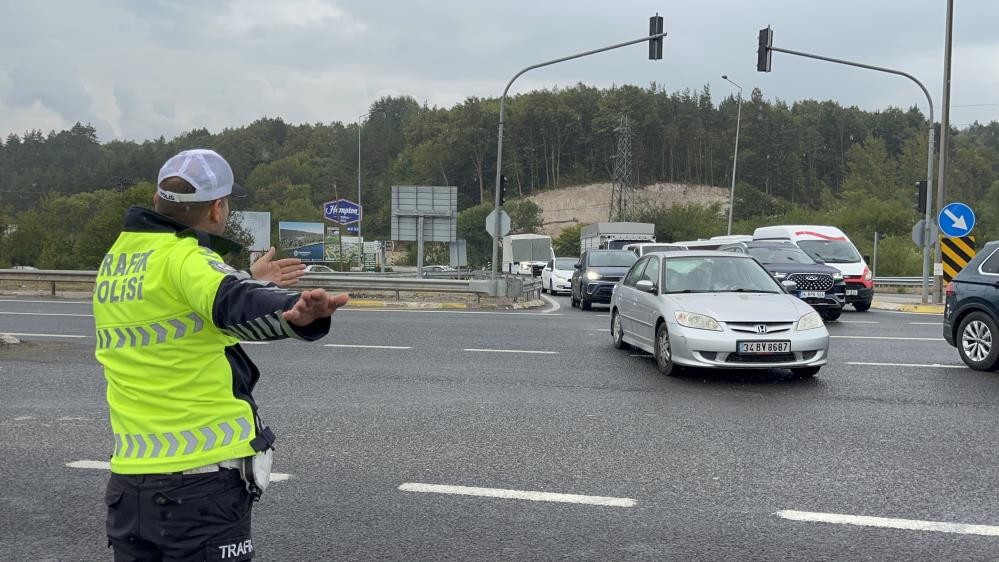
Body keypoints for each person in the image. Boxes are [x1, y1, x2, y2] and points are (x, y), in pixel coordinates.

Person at [93, 148, 349, 561]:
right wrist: (293, 312)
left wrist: (251, 280)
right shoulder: (185, 257)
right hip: (197, 486)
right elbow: (232, 298)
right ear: (216, 209)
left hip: (130, 483)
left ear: (158, 199)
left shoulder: (118, 262)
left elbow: (190, 310)